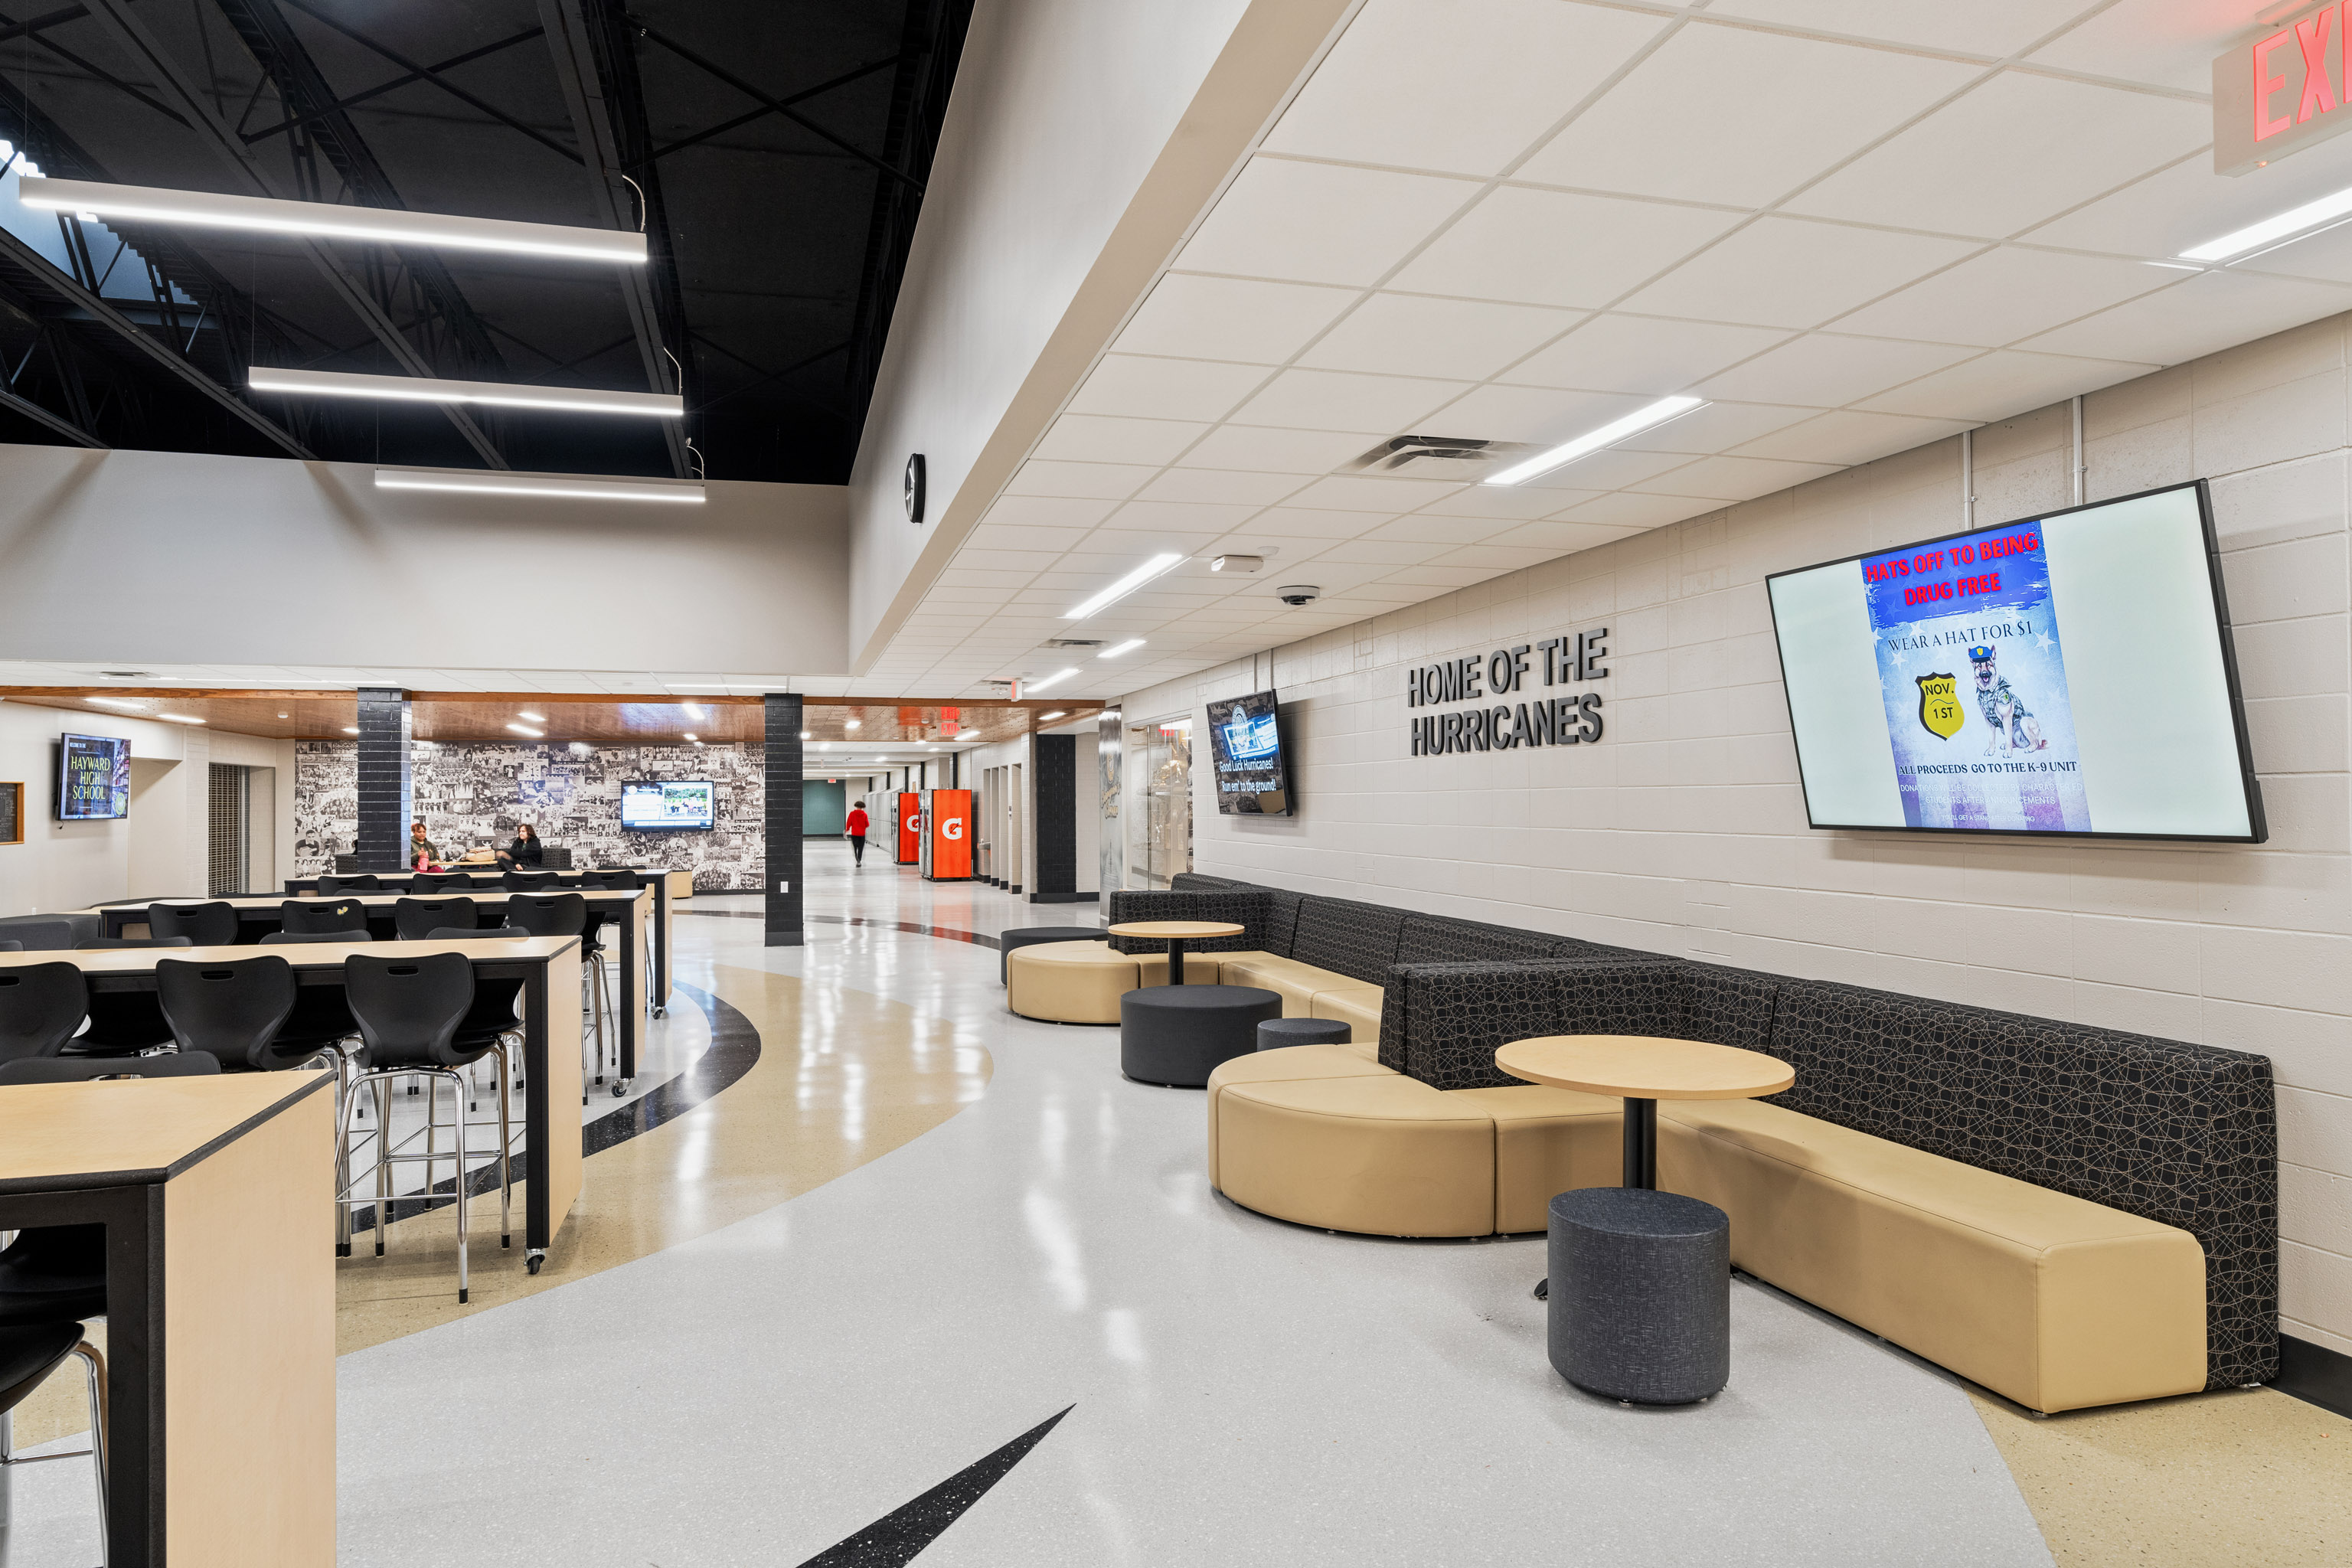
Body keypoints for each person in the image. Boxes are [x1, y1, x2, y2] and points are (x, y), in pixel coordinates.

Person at [844, 798, 869, 867]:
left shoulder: (852, 814)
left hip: (854, 834)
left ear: (856, 806)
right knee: (861, 848)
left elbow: (849, 823)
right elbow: (867, 824)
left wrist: (847, 829)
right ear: (862, 807)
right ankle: (859, 860)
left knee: (855, 848)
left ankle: (857, 860)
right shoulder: (864, 815)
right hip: (862, 834)